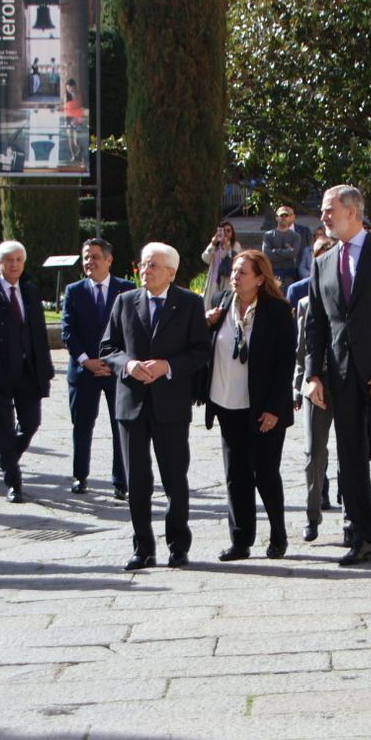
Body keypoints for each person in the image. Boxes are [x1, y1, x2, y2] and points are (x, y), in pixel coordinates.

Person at [303, 184, 371, 569]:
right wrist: (313, 375)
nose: (324, 217)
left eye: (329, 209)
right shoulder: (322, 262)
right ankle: (362, 538)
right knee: (350, 459)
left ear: (352, 211)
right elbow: (316, 325)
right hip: (341, 376)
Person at [99, 243, 213, 571]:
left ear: (172, 273)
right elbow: (108, 346)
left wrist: (168, 365)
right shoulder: (124, 301)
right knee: (137, 480)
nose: (145, 272)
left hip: (170, 404)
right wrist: (128, 364)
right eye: (144, 265)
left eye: (153, 266)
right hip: (131, 404)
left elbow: (201, 351)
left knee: (175, 478)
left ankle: (178, 545)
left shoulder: (189, 304)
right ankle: (143, 547)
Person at [205, 250, 296, 562]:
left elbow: (286, 363)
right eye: (234, 270)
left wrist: (273, 408)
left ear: (260, 278)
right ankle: (240, 541)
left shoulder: (277, 310)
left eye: (243, 272)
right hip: (227, 401)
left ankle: (278, 534)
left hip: (263, 408)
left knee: (265, 472)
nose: (235, 276)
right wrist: (207, 325)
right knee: (236, 474)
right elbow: (208, 346)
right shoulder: (221, 301)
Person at [0, 240, 54, 503]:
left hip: (28, 372)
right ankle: (13, 483)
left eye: (18, 260)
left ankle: (7, 457)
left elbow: (38, 333)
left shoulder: (30, 291)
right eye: (8, 260)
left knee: (31, 423)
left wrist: (45, 368)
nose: (14, 265)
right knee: (3, 428)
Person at [59, 238, 132, 498]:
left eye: (95, 257)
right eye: (86, 257)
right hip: (83, 372)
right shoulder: (74, 291)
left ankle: (121, 481)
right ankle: (80, 476)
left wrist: (114, 362)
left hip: (117, 373)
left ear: (109, 260)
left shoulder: (127, 289)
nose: (90, 262)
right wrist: (85, 361)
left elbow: (131, 332)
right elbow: (67, 331)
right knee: (82, 426)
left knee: (120, 426)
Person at [292, 236, 338, 542]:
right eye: (318, 256)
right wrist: (300, 385)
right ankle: (312, 516)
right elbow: (301, 350)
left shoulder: (349, 298)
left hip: (346, 384)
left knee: (354, 451)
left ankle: (352, 516)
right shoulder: (305, 302)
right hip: (315, 385)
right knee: (313, 452)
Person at [261, 206, 305, 292]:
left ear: (289, 218)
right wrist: (286, 252)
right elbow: (267, 254)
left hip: (290, 273)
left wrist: (276, 251)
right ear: (277, 218)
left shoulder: (295, 236)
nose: (284, 218)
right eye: (281, 216)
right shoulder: (268, 235)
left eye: (286, 216)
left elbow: (293, 253)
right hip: (273, 272)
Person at [201, 221, 242, 307]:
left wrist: (228, 248)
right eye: (223, 230)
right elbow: (205, 258)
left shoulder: (235, 245)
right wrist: (212, 243)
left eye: (228, 230)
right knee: (209, 305)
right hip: (213, 280)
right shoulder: (215, 246)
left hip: (226, 280)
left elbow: (236, 261)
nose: (226, 233)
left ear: (232, 232)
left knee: (223, 305)